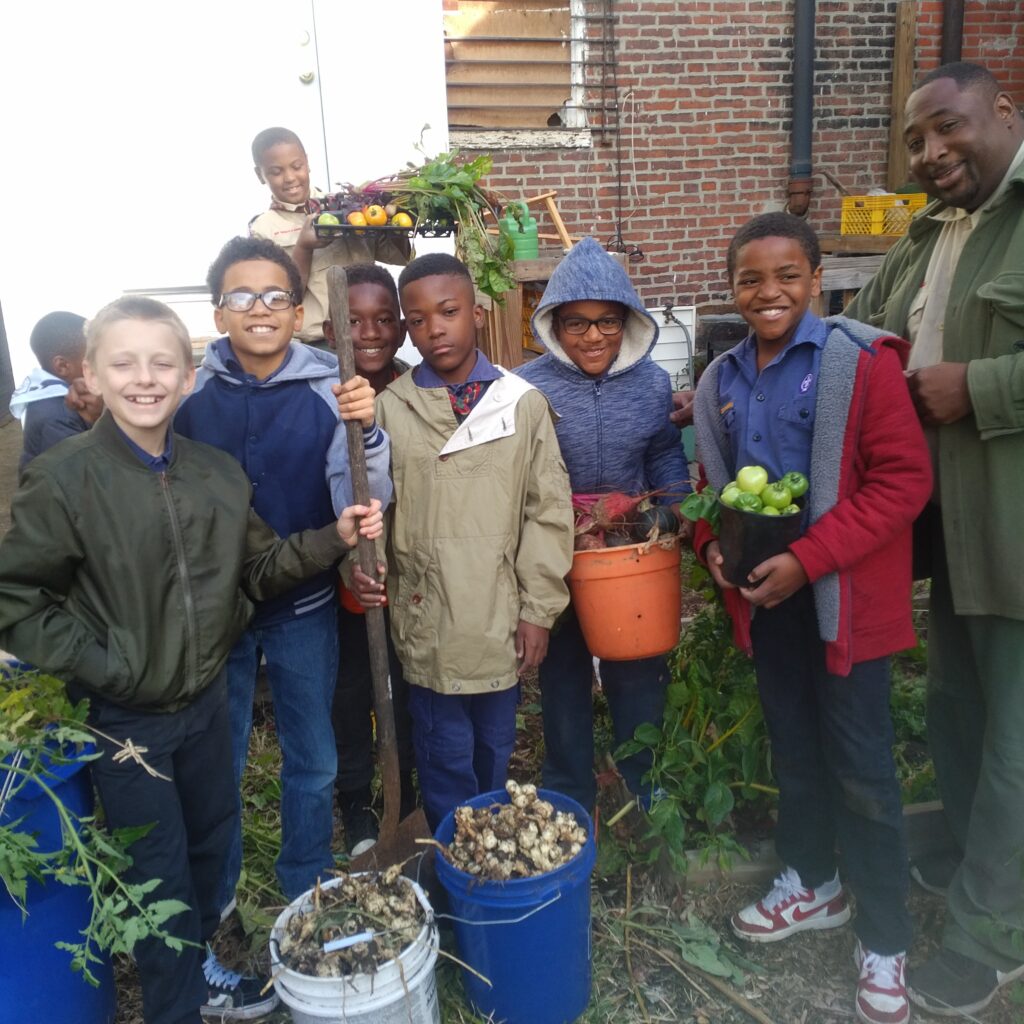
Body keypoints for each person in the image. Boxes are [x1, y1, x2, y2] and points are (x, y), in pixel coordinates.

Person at [0, 296, 383, 1024]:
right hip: (126, 724)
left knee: (211, 846)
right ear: (92, 375)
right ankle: (174, 1003)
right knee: (159, 875)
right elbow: (18, 601)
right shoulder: (65, 478)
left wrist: (333, 537)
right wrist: (108, 665)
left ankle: (203, 968)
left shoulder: (215, 474)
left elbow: (259, 569)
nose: (144, 379)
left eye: (161, 364)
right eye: (124, 363)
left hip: (205, 702)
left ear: (187, 378)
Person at [692, 213, 932, 1024]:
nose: (769, 293)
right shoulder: (720, 379)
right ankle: (814, 885)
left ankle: (887, 941)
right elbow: (715, 489)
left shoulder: (858, 364)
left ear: (818, 275)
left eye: (787, 275)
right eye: (750, 279)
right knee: (794, 748)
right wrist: (712, 550)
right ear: (731, 288)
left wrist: (810, 559)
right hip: (770, 604)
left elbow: (902, 483)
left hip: (844, 605)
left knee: (863, 770)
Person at [845, 61, 1024, 1016]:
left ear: (1006, 110)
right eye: (917, 140)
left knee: (1015, 738)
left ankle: (994, 932)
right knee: (956, 705)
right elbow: (862, 333)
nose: (931, 153)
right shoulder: (929, 232)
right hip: (947, 523)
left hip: (1014, 521)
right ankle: (968, 852)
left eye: (948, 128)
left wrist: (981, 388)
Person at [174, 236, 392, 908]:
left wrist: (372, 433)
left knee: (313, 754)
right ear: (218, 315)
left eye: (276, 296)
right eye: (241, 296)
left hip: (302, 604)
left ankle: (306, 878)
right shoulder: (191, 397)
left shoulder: (334, 388)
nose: (259, 308)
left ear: (299, 313)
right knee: (221, 759)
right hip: (217, 616)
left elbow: (356, 486)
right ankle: (221, 898)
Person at [346, 252, 575, 830]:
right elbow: (372, 508)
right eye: (417, 319)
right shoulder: (390, 410)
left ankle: (488, 849)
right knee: (442, 754)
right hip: (429, 619)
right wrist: (363, 563)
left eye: (448, 312)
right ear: (405, 326)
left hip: (499, 616)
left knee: (494, 749)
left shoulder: (520, 405)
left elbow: (546, 512)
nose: (434, 329)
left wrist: (539, 610)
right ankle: (452, 859)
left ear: (476, 312)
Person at [515, 236, 689, 812]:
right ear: (553, 326)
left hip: (629, 542)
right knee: (562, 668)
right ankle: (569, 786)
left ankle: (644, 779)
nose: (594, 337)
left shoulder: (650, 384)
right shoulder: (525, 387)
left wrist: (671, 506)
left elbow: (664, 450)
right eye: (577, 324)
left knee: (636, 663)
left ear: (629, 322)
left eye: (608, 322)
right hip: (556, 544)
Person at [321, 264, 416, 853]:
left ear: (401, 327)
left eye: (384, 319)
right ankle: (356, 803)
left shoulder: (414, 390)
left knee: (406, 689)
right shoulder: (319, 393)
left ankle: (407, 795)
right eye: (353, 321)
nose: (370, 332)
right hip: (346, 580)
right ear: (333, 332)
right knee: (352, 693)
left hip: (410, 579)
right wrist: (346, 562)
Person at [248, 126, 409, 344]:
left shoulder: (347, 206)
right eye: (276, 172)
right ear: (260, 175)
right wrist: (304, 248)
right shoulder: (263, 229)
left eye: (297, 166)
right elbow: (280, 298)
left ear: (307, 162)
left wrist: (397, 217)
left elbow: (399, 257)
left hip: (368, 336)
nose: (290, 177)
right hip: (317, 345)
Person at [9, 311, 91, 476]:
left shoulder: (46, 392)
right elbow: (77, 476)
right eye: (92, 358)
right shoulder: (59, 416)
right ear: (62, 366)